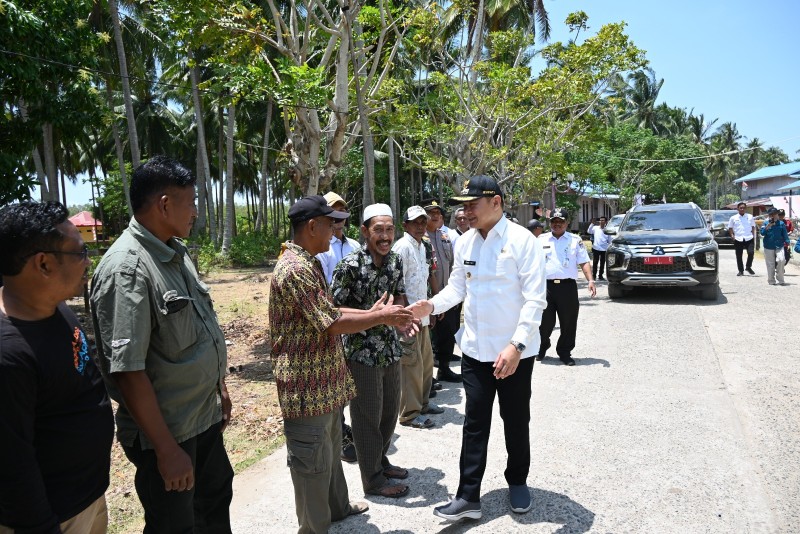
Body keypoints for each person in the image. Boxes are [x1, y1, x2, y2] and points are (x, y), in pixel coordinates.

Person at [90, 156, 234, 531]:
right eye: (191, 202)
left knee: (215, 501)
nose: (196, 213)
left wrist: (219, 389)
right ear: (165, 204)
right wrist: (168, 451)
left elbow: (201, 329)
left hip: (201, 416)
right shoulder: (127, 269)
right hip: (168, 434)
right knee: (175, 525)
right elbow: (128, 370)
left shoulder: (175, 252)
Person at [270, 195, 416, 533]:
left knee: (331, 452)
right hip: (306, 386)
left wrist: (377, 315)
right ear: (311, 227)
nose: (335, 231)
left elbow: (333, 311)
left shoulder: (309, 262)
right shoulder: (294, 270)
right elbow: (331, 322)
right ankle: (314, 527)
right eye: (329, 224)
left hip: (326, 380)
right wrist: (378, 316)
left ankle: (337, 507)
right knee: (311, 464)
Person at [408, 175, 547, 521]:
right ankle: (468, 496)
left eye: (472, 204)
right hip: (475, 350)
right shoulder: (465, 242)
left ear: (496, 202)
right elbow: (457, 288)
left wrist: (516, 346)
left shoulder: (521, 241)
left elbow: (535, 300)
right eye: (463, 206)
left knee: (516, 420)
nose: (466, 211)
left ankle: (517, 480)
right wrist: (430, 306)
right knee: (474, 423)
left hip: (514, 353)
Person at [0, 201, 114, 534]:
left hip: (88, 499)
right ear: (45, 264)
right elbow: (11, 466)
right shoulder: (8, 355)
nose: (87, 262)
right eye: (79, 253)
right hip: (54, 518)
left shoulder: (55, 308)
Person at [330, 204, 413, 499]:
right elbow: (333, 310)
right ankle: (373, 480)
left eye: (389, 229)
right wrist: (373, 315)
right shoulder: (349, 266)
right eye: (378, 229)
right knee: (366, 416)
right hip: (360, 350)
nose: (385, 235)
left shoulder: (394, 262)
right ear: (365, 232)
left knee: (390, 411)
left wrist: (403, 320)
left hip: (389, 347)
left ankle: (380, 461)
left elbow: (399, 293)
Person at [315, 191, 361, 463]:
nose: (338, 218)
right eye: (333, 212)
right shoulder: (322, 248)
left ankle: (348, 430)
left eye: (342, 211)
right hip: (333, 320)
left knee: (351, 378)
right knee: (336, 379)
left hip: (355, 320)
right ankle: (341, 434)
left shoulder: (353, 245)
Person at [392, 206, 443, 430]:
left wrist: (429, 311)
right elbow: (395, 284)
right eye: (416, 222)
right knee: (411, 366)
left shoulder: (422, 245)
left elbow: (423, 279)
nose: (421, 225)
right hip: (407, 319)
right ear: (405, 225)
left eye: (423, 221)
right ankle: (409, 414)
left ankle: (422, 404)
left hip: (420, 316)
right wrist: (404, 317)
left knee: (425, 362)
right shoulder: (402, 247)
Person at [536, 208, 597, 366]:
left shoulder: (575, 240)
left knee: (568, 322)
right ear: (550, 223)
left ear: (567, 223)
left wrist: (590, 280)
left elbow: (584, 261)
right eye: (554, 222)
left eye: (560, 221)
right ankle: (541, 346)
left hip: (567, 287)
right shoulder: (540, 239)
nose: (557, 224)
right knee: (543, 322)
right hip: (545, 287)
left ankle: (564, 352)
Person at [424, 200, 462, 383]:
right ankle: (428, 378)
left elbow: (454, 264)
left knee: (448, 334)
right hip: (429, 298)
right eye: (431, 212)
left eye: (438, 212)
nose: (436, 215)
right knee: (428, 339)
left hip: (448, 295)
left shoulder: (446, 236)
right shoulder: (421, 238)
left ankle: (444, 369)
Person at [316, 192, 361, 285]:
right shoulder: (320, 249)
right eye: (332, 211)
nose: (337, 215)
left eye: (341, 210)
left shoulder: (355, 246)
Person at [760, 207, 789, 285]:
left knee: (781, 260)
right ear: (769, 215)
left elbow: (785, 234)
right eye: (771, 214)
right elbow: (762, 233)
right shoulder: (765, 223)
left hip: (779, 245)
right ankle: (771, 280)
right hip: (768, 245)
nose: (774, 216)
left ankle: (780, 279)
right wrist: (768, 226)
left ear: (777, 214)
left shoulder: (781, 223)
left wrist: (787, 242)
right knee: (770, 264)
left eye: (775, 214)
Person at [727, 202, 756, 276]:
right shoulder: (733, 218)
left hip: (749, 237)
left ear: (746, 208)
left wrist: (753, 235)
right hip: (738, 238)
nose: (742, 209)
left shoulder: (750, 216)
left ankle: (748, 267)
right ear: (738, 209)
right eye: (741, 208)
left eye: (744, 208)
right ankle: (740, 270)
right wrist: (732, 236)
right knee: (739, 255)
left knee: (751, 253)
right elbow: (730, 228)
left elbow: (753, 226)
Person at [591, 216, 611, 281]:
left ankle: (600, 276)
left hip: (604, 249)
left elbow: (610, 240)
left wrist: (608, 246)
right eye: (600, 220)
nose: (601, 221)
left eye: (603, 220)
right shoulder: (595, 228)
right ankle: (593, 276)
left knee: (602, 263)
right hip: (596, 248)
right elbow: (589, 231)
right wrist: (592, 224)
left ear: (606, 222)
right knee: (595, 262)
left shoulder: (607, 230)